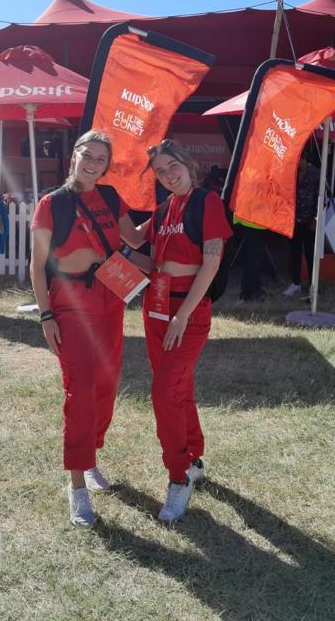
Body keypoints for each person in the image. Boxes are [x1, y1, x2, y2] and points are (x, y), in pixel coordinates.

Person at [29, 130, 145, 526]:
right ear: (74, 156)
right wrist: (46, 316)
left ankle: (92, 453)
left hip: (111, 299)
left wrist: (173, 207)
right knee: (80, 391)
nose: (94, 163)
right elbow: (36, 265)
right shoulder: (52, 203)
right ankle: (77, 482)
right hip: (71, 304)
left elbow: (134, 237)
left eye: (101, 159)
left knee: (106, 386)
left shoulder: (111, 198)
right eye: (88, 155)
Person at [143, 139, 232, 522]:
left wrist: (183, 316)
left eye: (171, 166)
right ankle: (193, 457)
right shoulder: (164, 208)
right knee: (179, 388)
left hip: (188, 311)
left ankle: (178, 477)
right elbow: (135, 240)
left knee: (164, 393)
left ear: (187, 162)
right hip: (156, 307)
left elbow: (210, 264)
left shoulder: (206, 201)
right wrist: (103, 201)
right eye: (160, 172)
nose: (167, 175)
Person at [283, 156, 321, 297]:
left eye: (299, 159)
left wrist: (316, 218)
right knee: (294, 253)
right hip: (293, 221)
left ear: (305, 158)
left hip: (309, 221)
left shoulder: (316, 174)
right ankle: (295, 283)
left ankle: (313, 285)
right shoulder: (290, 173)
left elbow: (321, 197)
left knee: (311, 254)